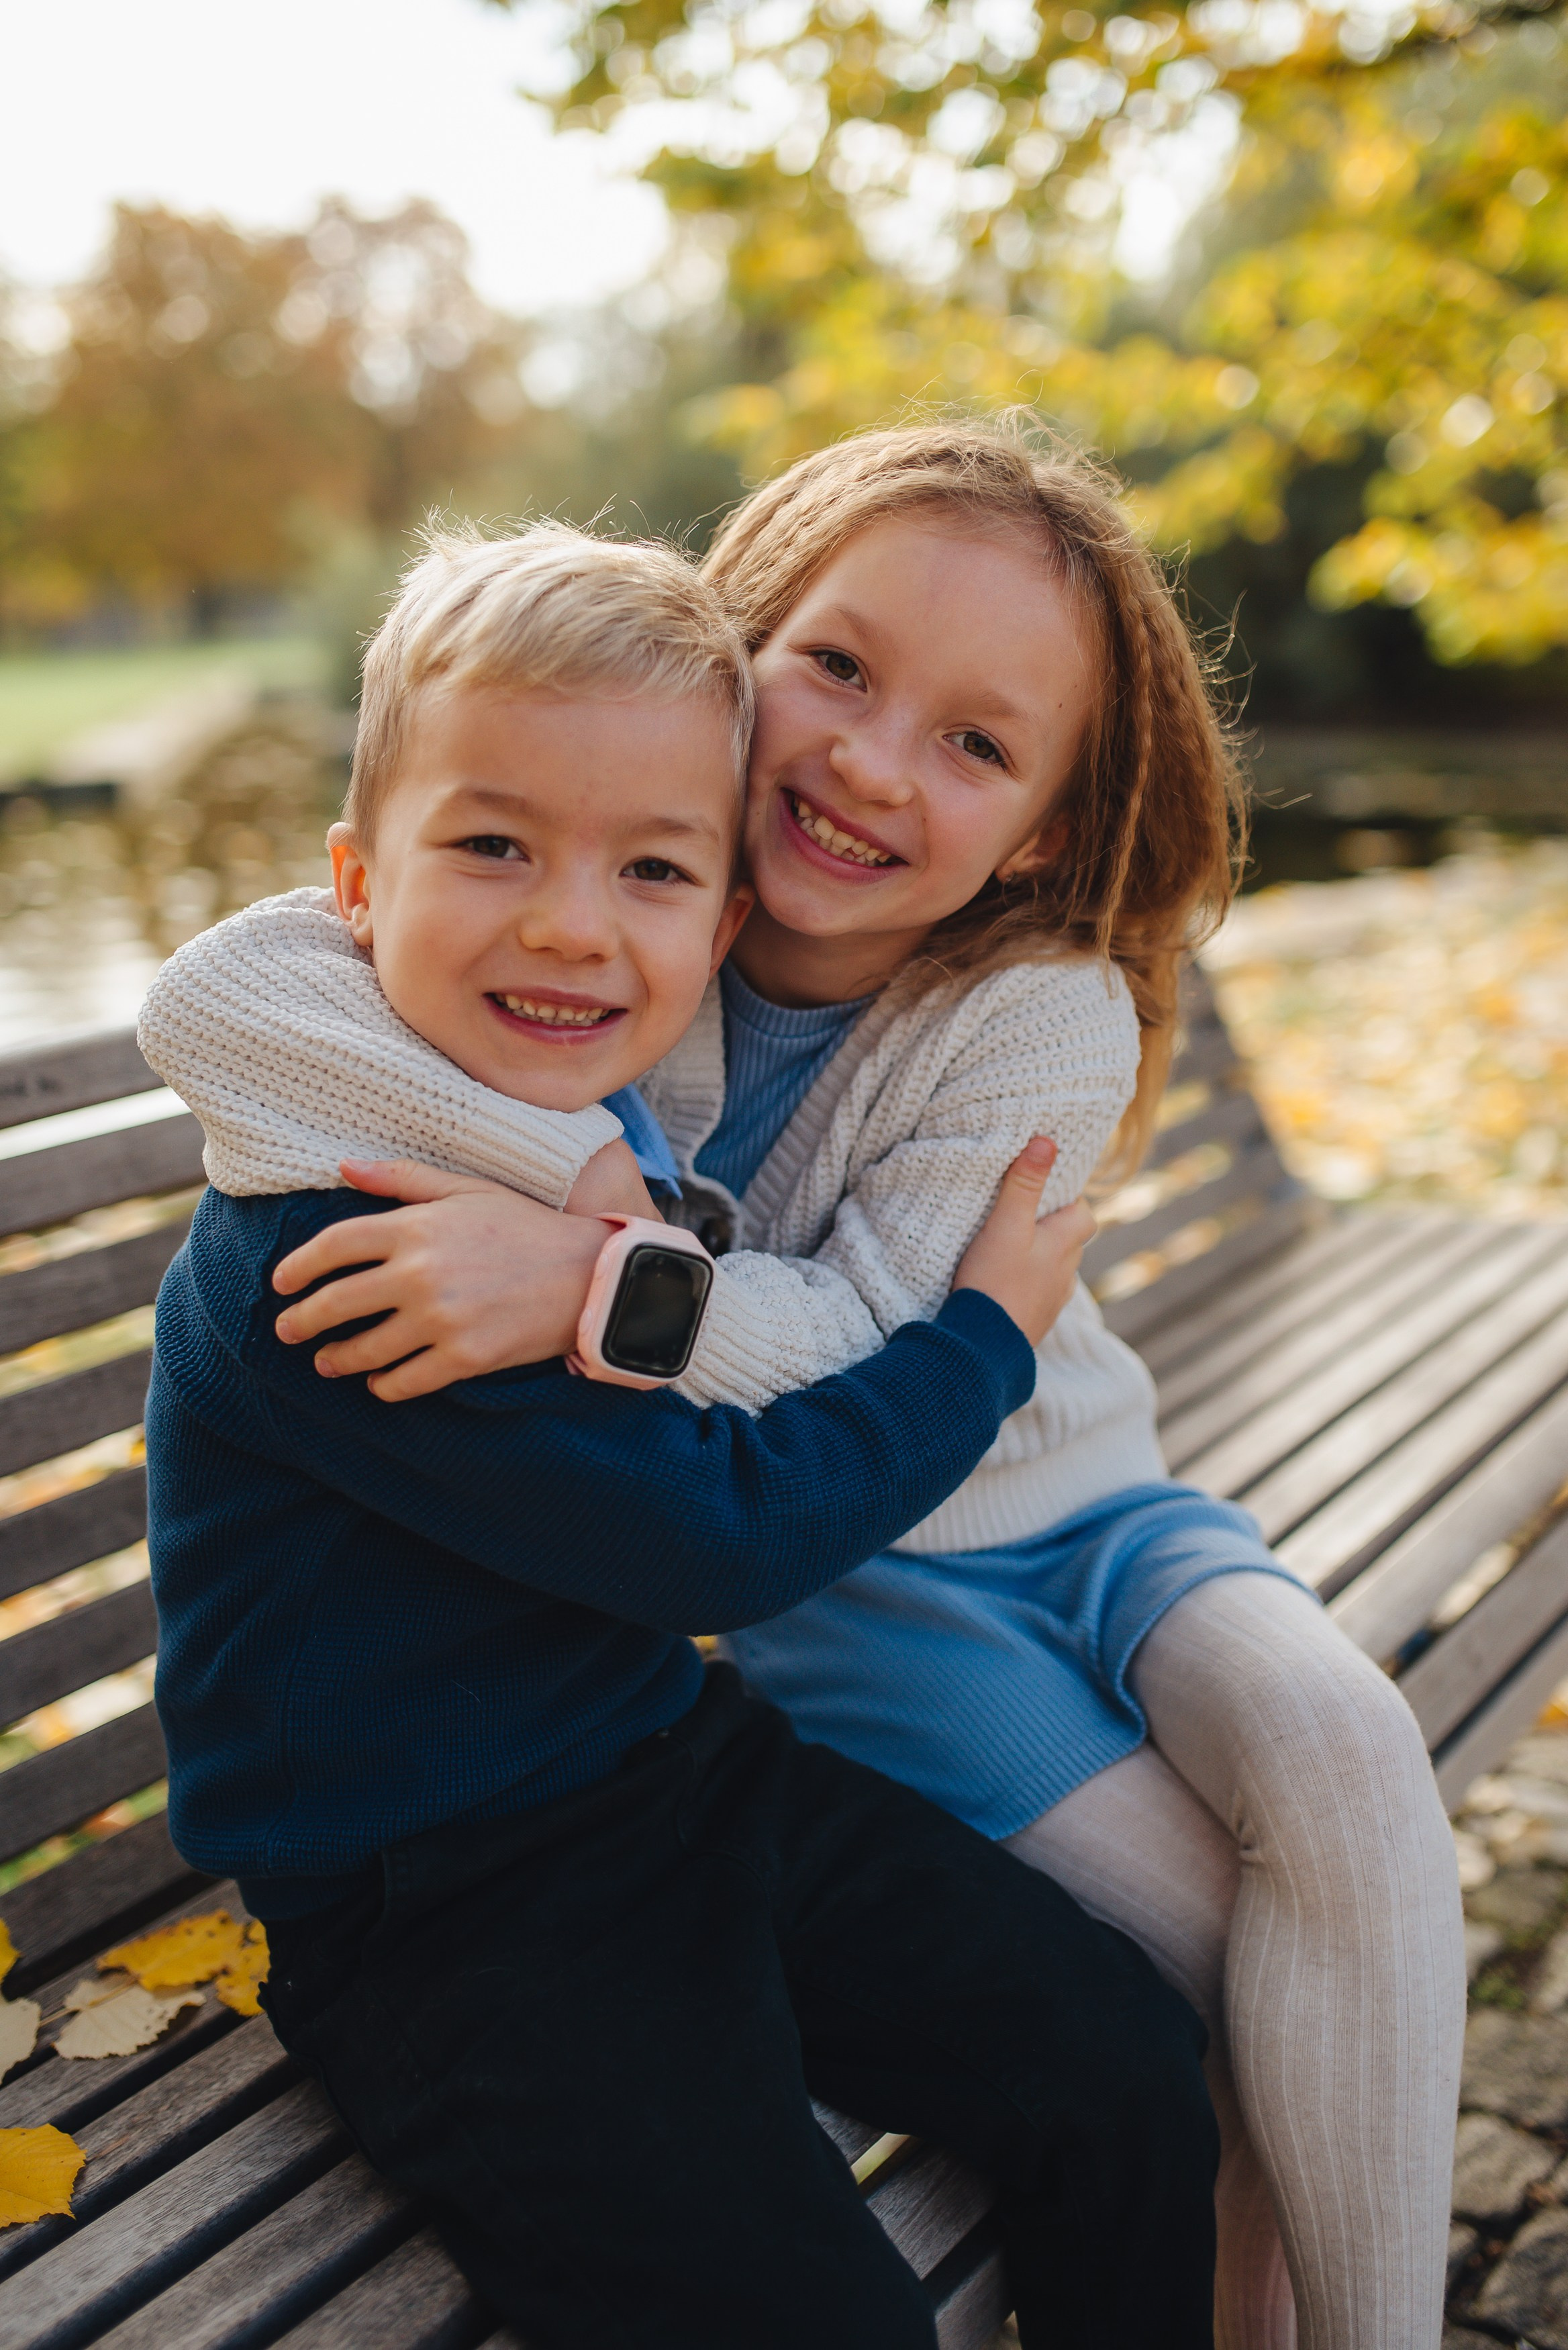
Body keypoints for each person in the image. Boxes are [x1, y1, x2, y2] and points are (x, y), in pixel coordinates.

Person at [204, 426, 1466, 2350]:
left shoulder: (951, 985)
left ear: (1041, 822)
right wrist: (566, 1193)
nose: (876, 764)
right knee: (1209, 1985)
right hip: (812, 1613)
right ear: (741, 645)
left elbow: (877, 1335)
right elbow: (221, 997)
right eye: (843, 670)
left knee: (1340, 1780)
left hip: (1064, 1518)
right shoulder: (594, 971)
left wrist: (605, 1278)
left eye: (976, 742)